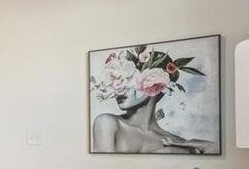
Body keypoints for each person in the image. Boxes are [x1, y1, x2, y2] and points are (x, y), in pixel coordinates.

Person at [90, 46, 218, 154]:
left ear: (157, 86)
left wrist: (205, 146)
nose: (120, 88)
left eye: (130, 79)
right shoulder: (107, 123)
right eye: (118, 81)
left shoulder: (176, 142)